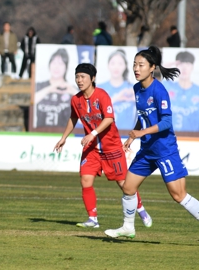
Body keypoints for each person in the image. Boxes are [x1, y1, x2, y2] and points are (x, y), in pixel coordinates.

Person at [105, 46, 199, 239]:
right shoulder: (137, 89)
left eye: (141, 65)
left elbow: (166, 122)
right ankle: (128, 227)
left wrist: (142, 132)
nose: (136, 68)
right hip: (147, 150)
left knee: (179, 195)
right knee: (128, 187)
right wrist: (132, 137)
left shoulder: (159, 91)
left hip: (165, 150)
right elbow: (143, 116)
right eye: (134, 64)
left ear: (152, 67)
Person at [54, 63, 151, 229]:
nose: (79, 80)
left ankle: (141, 209)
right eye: (77, 77)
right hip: (91, 149)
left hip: (111, 147)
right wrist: (64, 138)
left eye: (83, 77)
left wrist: (92, 134)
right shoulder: (75, 99)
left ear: (92, 78)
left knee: (124, 185)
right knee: (85, 180)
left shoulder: (101, 95)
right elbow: (73, 118)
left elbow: (109, 119)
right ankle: (93, 219)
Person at [34, 48, 78, 128]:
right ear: (49, 64)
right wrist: (50, 89)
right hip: (41, 131)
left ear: (66, 67)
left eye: (61, 63)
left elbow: (87, 106)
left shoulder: (71, 89)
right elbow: (32, 101)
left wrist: (73, 91)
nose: (56, 67)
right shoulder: (40, 86)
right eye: (54, 63)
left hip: (64, 132)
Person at [98, 50, 136, 130]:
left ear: (125, 66)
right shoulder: (100, 88)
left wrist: (138, 100)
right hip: (105, 133)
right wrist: (116, 98)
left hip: (127, 133)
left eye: (120, 64)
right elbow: (94, 112)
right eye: (113, 63)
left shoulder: (133, 88)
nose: (116, 67)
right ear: (108, 65)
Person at [164, 51, 199, 132]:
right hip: (169, 135)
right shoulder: (168, 87)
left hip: (193, 137)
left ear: (192, 67)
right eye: (181, 64)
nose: (184, 68)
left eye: (188, 64)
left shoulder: (197, 91)